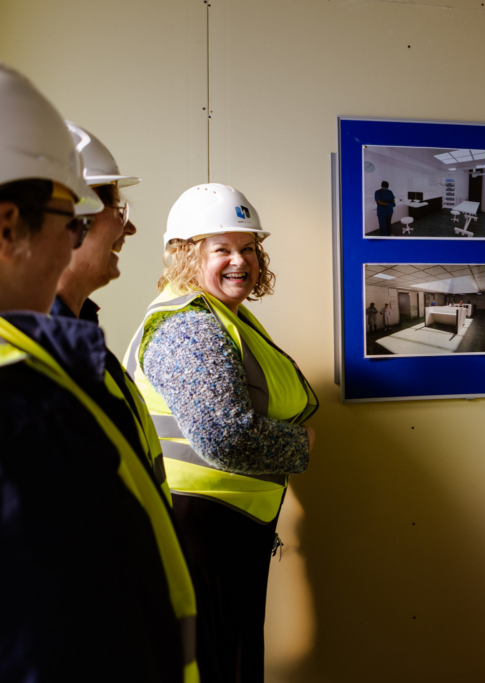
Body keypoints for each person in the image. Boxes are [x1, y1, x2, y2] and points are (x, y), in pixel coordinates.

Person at [0, 64, 197, 682]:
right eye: (72, 218)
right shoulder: (24, 409)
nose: (75, 238)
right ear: (9, 227)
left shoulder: (55, 370)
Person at [124, 183, 319, 683]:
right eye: (222, 250)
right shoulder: (189, 328)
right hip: (199, 530)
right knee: (216, 667)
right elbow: (224, 437)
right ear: (187, 256)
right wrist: (302, 444)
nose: (241, 261)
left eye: (248, 248)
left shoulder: (219, 316)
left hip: (224, 529)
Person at [53, 122, 171, 499]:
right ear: (72, 214)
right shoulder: (35, 354)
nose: (129, 227)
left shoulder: (77, 336)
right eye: (117, 210)